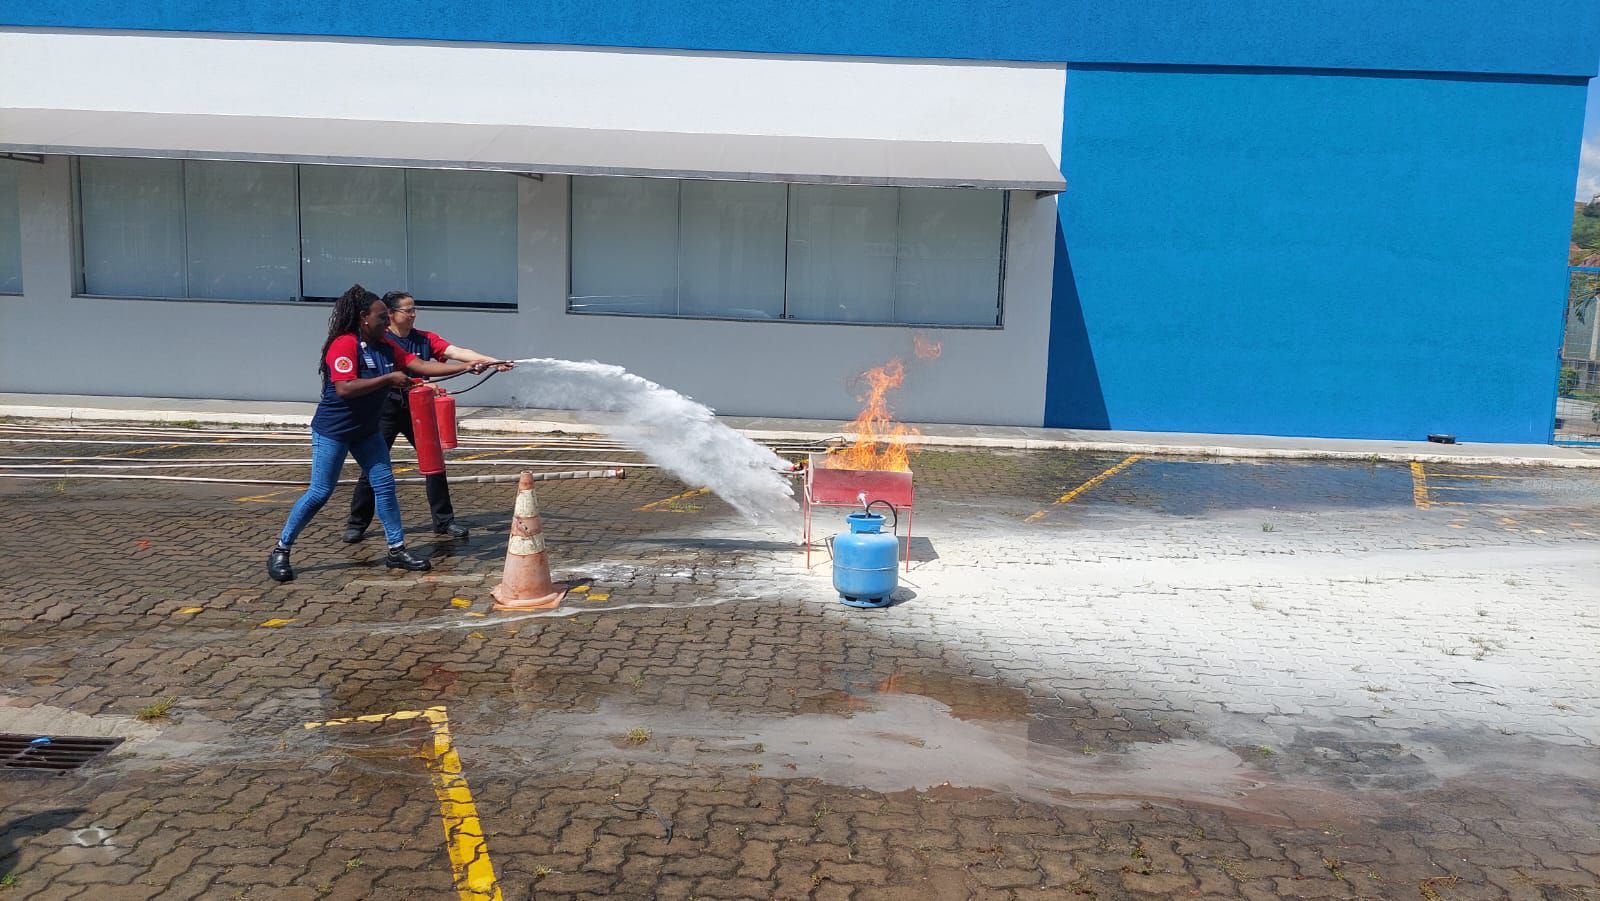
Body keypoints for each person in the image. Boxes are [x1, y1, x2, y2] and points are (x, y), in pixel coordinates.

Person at [267, 285, 487, 583]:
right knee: (320, 492)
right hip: (335, 430)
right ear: (363, 318)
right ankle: (281, 549)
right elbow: (345, 388)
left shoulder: (386, 344)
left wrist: (466, 366)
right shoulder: (344, 344)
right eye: (382, 316)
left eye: (387, 316)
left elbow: (419, 365)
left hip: (366, 430)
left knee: (385, 486)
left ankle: (396, 550)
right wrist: (389, 379)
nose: (387, 322)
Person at [342, 292, 513, 543]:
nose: (412, 315)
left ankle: (444, 521)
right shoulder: (379, 340)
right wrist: (421, 382)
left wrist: (491, 361)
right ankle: (357, 523)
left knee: (434, 464)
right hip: (384, 410)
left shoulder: (424, 338)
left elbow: (456, 351)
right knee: (373, 466)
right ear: (390, 314)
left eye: (414, 310)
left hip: (418, 411)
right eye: (407, 310)